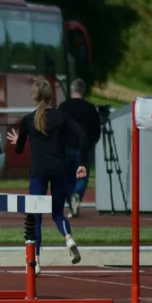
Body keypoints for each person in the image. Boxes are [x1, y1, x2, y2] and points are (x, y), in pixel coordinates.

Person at [7, 77, 88, 269]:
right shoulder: (62, 116)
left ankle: (36, 260)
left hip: (38, 172)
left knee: (35, 216)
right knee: (58, 213)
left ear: (34, 97)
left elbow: (18, 150)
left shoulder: (27, 120)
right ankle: (68, 239)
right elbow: (82, 135)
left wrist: (19, 140)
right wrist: (82, 163)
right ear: (51, 96)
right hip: (60, 169)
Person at [58, 78, 101, 217]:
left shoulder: (64, 106)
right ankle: (76, 196)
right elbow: (96, 131)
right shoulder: (90, 108)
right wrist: (90, 144)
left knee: (66, 178)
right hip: (83, 148)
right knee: (82, 177)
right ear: (83, 90)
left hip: (66, 148)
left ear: (72, 89)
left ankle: (72, 204)